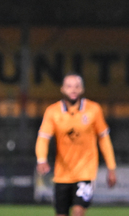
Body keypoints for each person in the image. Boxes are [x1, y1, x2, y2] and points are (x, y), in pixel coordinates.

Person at [35, 74, 117, 216]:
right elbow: (43, 137)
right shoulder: (52, 111)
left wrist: (111, 167)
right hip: (62, 173)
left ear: (82, 89)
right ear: (62, 89)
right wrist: (41, 159)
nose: (73, 90)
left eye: (77, 86)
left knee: (78, 211)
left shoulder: (93, 109)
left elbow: (104, 139)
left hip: (86, 172)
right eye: (69, 86)